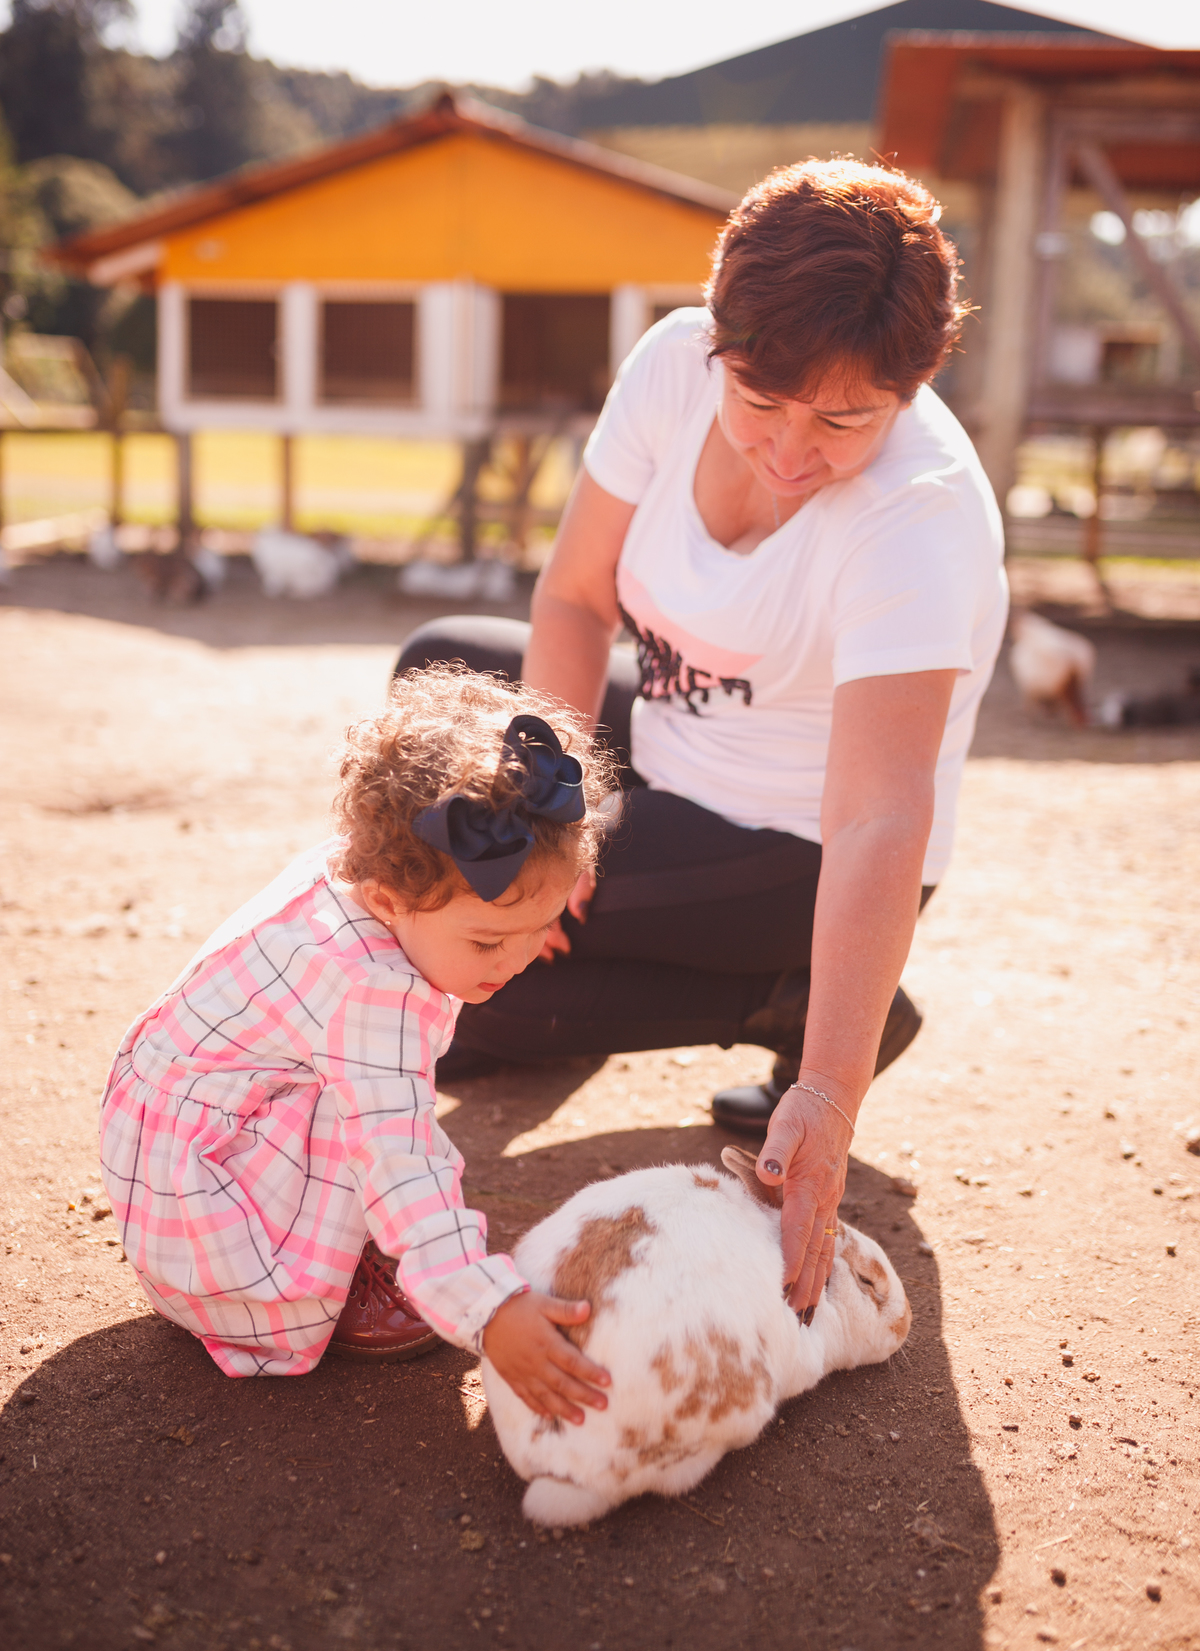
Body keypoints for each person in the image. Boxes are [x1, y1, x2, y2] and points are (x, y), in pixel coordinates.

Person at [396, 158, 1009, 1326]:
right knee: (442, 682)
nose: (790, 452)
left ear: (913, 387)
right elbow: (576, 599)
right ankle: (606, 939)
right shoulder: (675, 363)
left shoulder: (917, 515)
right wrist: (551, 812)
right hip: (671, 741)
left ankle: (796, 999)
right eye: (762, 403)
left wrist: (827, 1094)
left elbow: (878, 814)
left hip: (796, 847)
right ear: (719, 338)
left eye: (843, 420)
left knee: (458, 984)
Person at [98, 668, 616, 1426]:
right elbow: (400, 1159)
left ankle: (336, 1236)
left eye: (542, 926)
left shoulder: (365, 870)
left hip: (174, 1135)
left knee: (370, 1090)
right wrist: (488, 1307)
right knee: (382, 1117)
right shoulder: (373, 991)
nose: (516, 960)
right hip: (208, 1212)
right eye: (487, 940)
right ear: (387, 900)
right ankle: (314, 1282)